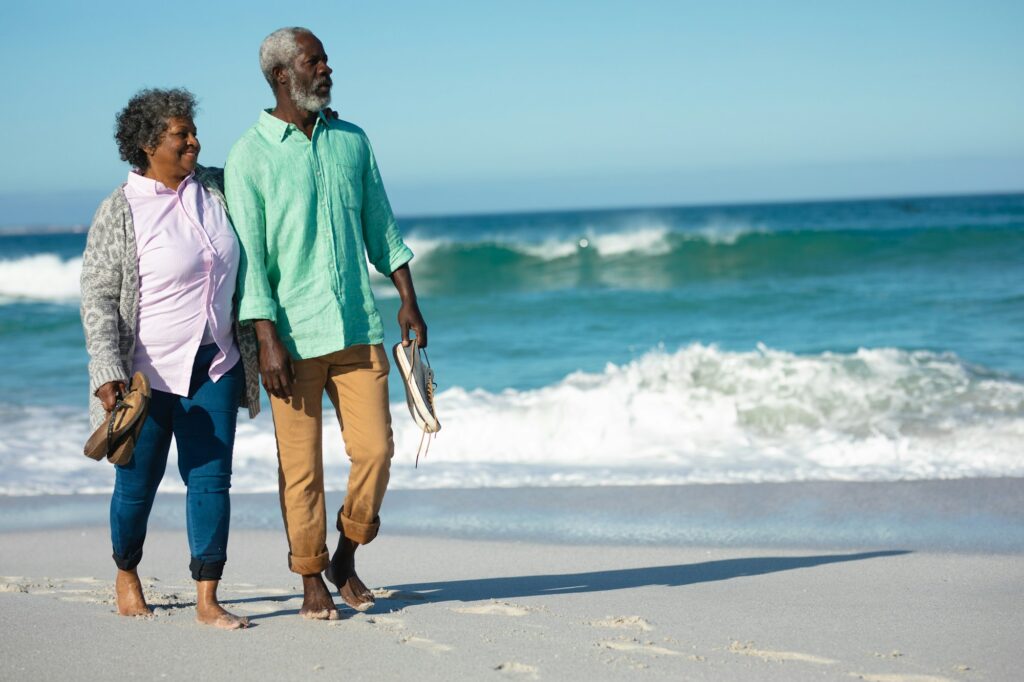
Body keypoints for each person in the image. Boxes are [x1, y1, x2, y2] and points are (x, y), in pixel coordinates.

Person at [225, 27, 427, 619]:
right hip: (290, 339)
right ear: (283, 75)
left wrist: (407, 298)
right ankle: (312, 577)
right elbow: (251, 262)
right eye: (316, 61)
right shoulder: (250, 155)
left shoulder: (352, 141)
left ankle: (345, 555)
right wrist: (266, 340)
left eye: (325, 59)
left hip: (357, 328)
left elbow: (381, 226)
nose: (328, 68)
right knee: (301, 471)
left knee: (377, 452)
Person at [80, 88, 260, 629]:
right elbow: (97, 297)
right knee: (138, 483)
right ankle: (127, 571)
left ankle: (207, 597)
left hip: (217, 363)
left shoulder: (217, 188)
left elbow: (269, 180)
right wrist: (107, 371)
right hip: (146, 374)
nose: (194, 141)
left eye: (192, 131)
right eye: (181, 134)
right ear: (147, 144)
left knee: (211, 479)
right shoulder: (120, 210)